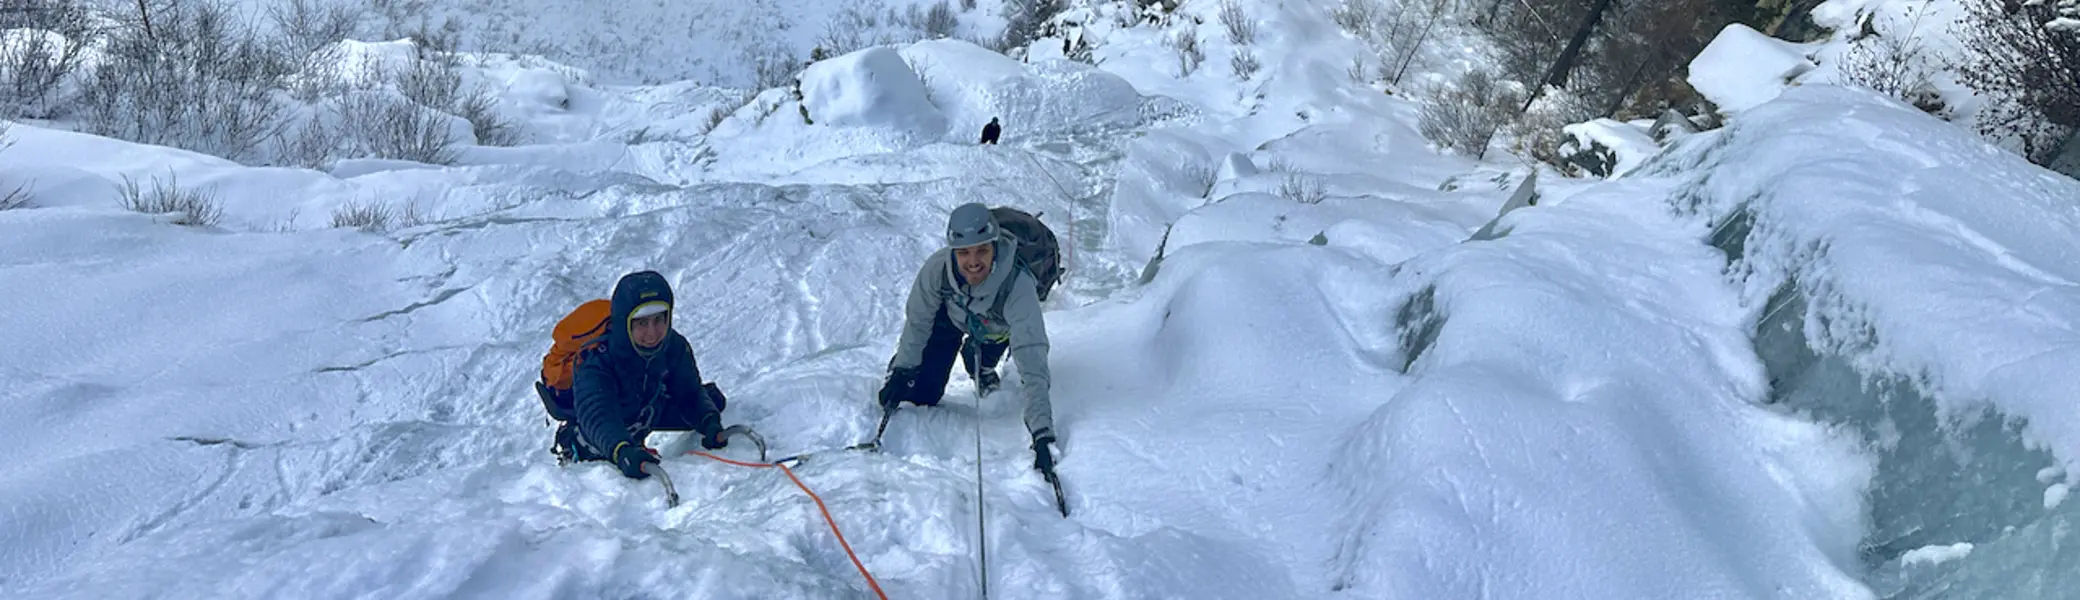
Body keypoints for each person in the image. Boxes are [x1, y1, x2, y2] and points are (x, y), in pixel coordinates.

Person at [879, 203, 1060, 471]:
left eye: (982, 250)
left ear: (995, 246)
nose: (973, 262)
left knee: (984, 353)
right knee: (922, 395)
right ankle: (931, 369)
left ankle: (983, 366)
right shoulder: (937, 271)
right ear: (953, 250)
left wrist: (1042, 433)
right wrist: (902, 371)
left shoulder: (1018, 286)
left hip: (993, 325)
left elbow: (1032, 357)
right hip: (951, 319)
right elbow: (918, 323)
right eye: (963, 252)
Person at [572, 270, 733, 480]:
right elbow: (598, 414)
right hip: (595, 444)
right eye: (641, 323)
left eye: (659, 320)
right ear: (624, 323)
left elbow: (689, 393)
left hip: (643, 414)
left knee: (711, 402)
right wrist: (621, 450)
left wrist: (708, 421)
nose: (653, 332)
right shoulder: (596, 359)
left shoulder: (673, 346)